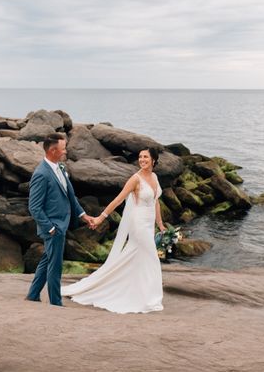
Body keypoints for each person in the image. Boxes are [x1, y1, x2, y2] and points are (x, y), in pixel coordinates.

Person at [61, 147, 166, 313]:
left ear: (154, 159)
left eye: (145, 157)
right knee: (152, 257)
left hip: (148, 224)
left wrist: (160, 224)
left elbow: (155, 201)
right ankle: (150, 297)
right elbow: (118, 200)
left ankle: (139, 292)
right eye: (140, 157)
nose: (142, 160)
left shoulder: (154, 177)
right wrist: (100, 218)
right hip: (138, 223)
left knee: (138, 257)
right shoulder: (135, 179)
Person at [25, 133, 94, 306]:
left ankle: (33, 295)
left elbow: (71, 196)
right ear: (53, 150)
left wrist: (83, 215)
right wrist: (50, 228)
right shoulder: (41, 174)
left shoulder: (60, 168)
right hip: (54, 227)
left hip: (61, 225)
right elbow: (34, 207)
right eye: (63, 149)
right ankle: (55, 303)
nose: (65, 151)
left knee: (47, 261)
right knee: (55, 267)